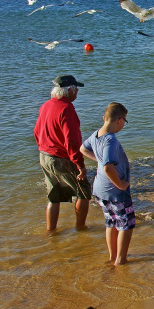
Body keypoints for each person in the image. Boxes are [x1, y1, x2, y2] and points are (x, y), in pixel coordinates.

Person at [34, 75, 91, 231]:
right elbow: (72, 141)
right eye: (76, 88)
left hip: (44, 156)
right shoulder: (66, 109)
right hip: (61, 158)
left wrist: (44, 148)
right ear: (69, 90)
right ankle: (81, 228)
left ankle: (51, 231)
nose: (77, 91)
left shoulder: (45, 105)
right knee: (83, 192)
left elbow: (37, 132)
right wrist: (80, 165)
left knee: (53, 196)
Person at [80, 103, 134, 266]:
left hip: (100, 189)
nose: (124, 124)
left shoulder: (96, 135)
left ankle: (112, 256)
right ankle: (121, 259)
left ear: (104, 118)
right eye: (125, 121)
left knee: (111, 222)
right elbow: (108, 167)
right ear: (119, 120)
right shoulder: (111, 141)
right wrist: (121, 184)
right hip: (115, 190)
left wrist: (100, 160)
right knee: (126, 223)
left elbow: (83, 149)